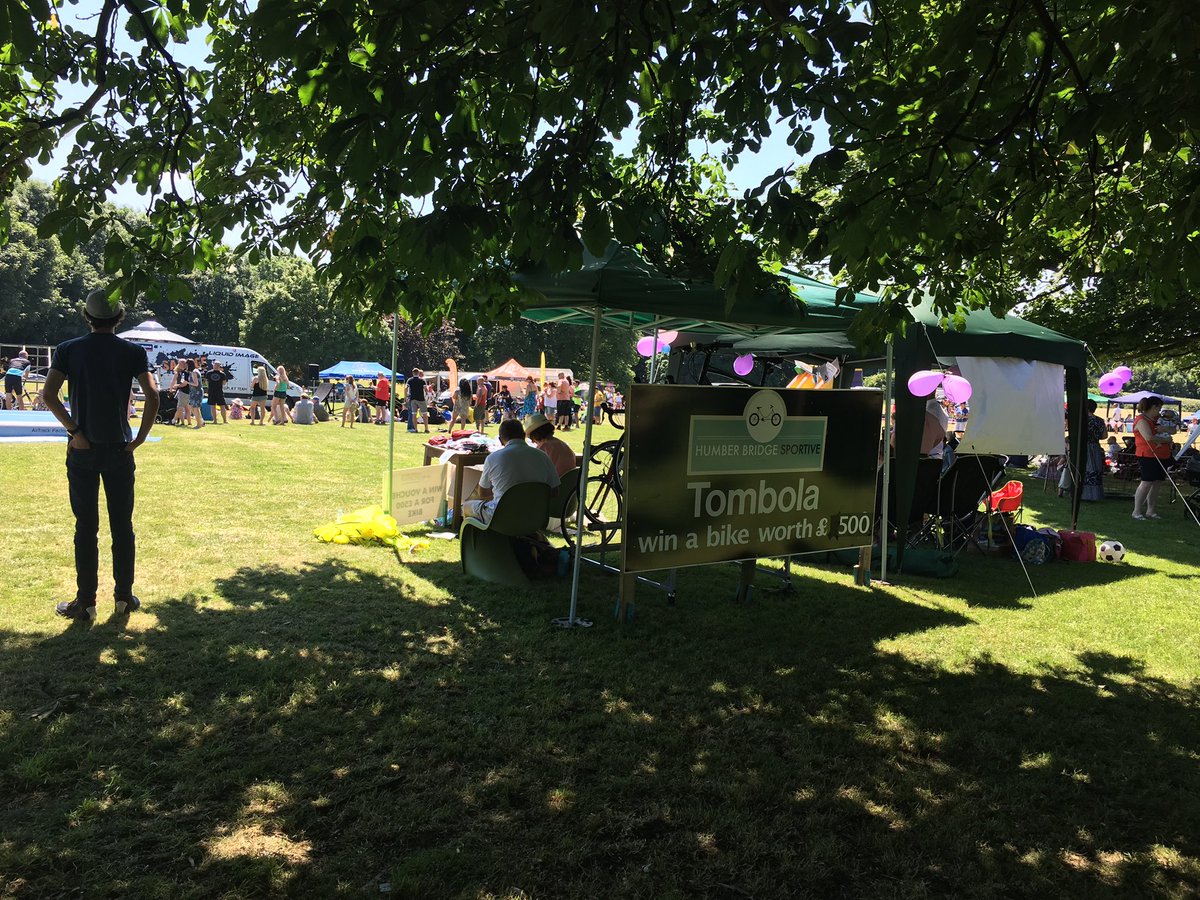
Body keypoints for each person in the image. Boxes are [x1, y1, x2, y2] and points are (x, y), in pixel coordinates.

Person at [42, 289, 159, 622]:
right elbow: (153, 395)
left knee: (86, 528)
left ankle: (86, 602)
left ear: (86, 316)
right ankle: (123, 598)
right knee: (123, 526)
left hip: (84, 449)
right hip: (120, 448)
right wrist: (139, 438)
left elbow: (49, 395)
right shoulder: (133, 352)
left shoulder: (68, 350)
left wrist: (74, 431)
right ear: (119, 316)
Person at [462, 419, 559, 524]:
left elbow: (483, 493)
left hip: (502, 516)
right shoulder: (542, 456)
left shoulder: (493, 458)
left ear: (500, 440)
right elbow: (554, 491)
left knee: (467, 506)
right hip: (535, 516)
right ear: (523, 435)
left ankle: (480, 538)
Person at [1132, 396, 1174, 519]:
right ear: (1154, 407)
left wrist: (1165, 429)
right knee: (1146, 482)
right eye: (1159, 408)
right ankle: (1137, 511)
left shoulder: (1157, 419)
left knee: (1157, 482)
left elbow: (1174, 429)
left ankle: (1151, 511)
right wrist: (1165, 439)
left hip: (1162, 455)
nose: (1160, 411)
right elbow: (1148, 437)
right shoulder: (1141, 420)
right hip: (1148, 455)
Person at [406, 368, 430, 433]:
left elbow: (406, 388)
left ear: (412, 373)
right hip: (421, 398)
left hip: (413, 399)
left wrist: (406, 396)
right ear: (418, 373)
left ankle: (415, 429)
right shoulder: (422, 380)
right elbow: (425, 389)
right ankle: (426, 429)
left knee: (414, 414)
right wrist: (427, 393)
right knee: (424, 414)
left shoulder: (409, 380)